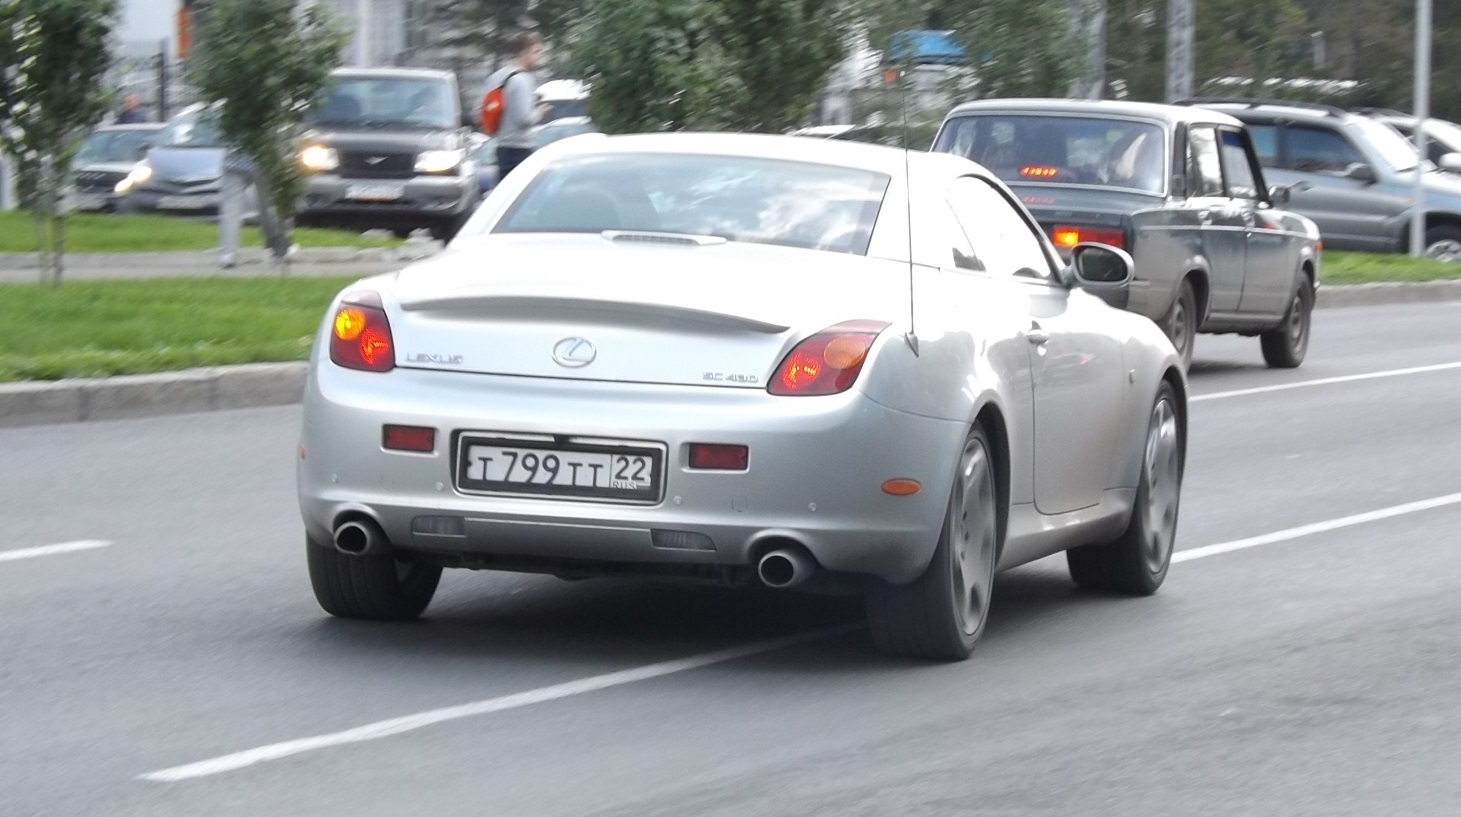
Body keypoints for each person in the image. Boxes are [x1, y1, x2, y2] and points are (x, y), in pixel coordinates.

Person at [483, 30, 549, 180]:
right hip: (519, 149)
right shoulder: (523, 79)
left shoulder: (496, 77)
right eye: (536, 51)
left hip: (500, 146)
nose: (539, 56)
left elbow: (480, 110)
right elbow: (523, 120)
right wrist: (540, 111)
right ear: (524, 53)